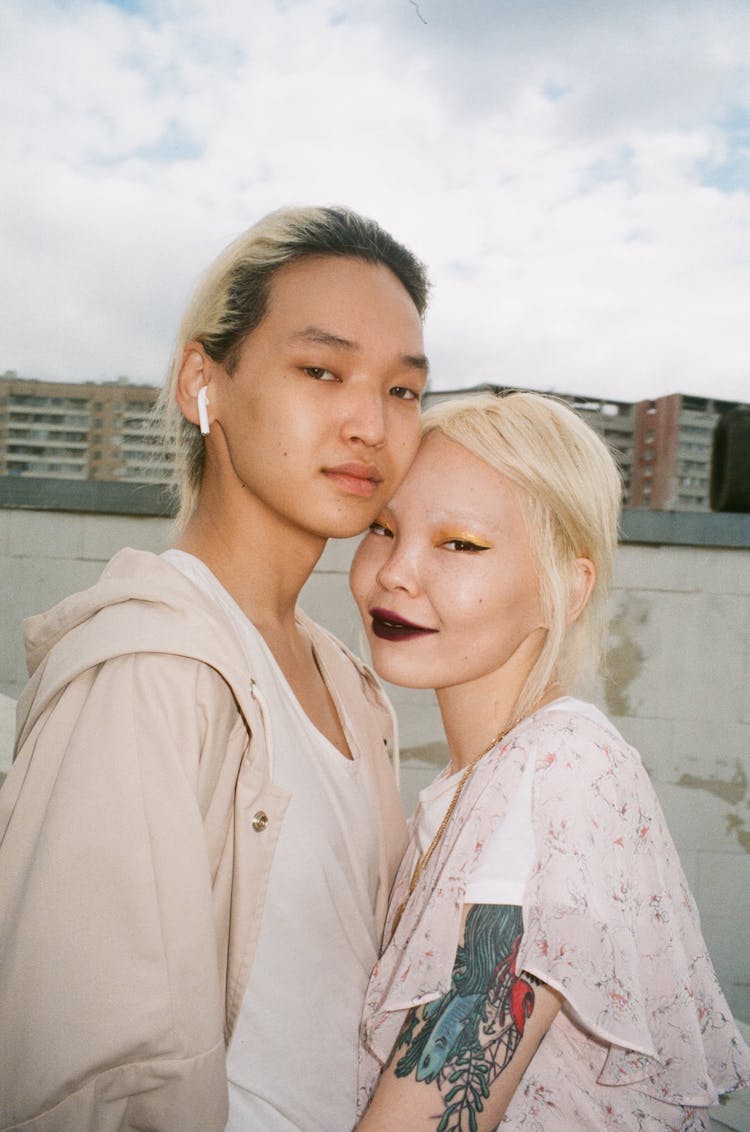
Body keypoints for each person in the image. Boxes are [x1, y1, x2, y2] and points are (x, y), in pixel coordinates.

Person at [0, 205, 431, 1132]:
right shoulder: (148, 671)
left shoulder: (351, 685)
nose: (370, 423)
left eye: (403, 391)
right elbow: (92, 1081)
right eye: (321, 371)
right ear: (207, 380)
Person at [350, 391, 750, 1130]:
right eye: (382, 528)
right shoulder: (483, 780)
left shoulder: (547, 779)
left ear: (568, 587)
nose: (395, 572)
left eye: (459, 543)